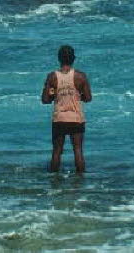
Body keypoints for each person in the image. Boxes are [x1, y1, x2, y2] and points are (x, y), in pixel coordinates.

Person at [41, 45, 92, 173]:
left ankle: (53, 181)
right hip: (76, 118)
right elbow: (88, 98)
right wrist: (78, 95)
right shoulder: (80, 76)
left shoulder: (52, 77)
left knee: (57, 151)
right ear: (73, 59)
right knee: (78, 150)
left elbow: (45, 100)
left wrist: (53, 95)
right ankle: (81, 180)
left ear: (59, 59)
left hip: (59, 119)